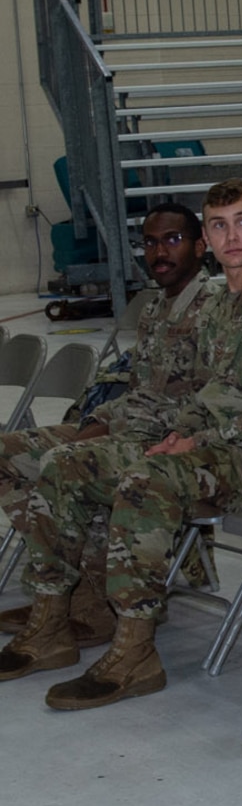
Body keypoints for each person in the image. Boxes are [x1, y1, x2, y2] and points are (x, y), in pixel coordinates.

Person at [0, 180, 242, 708]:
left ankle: (135, 650)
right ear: (209, 235)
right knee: (67, 466)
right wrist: (185, 433)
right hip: (214, 448)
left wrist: (195, 438)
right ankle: (53, 623)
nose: (232, 236)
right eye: (220, 225)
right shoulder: (225, 304)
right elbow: (207, 393)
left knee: (146, 480)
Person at [0, 203, 211, 656]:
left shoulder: (216, 310)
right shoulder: (156, 309)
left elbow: (199, 405)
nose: (160, 252)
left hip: (167, 443)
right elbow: (139, 390)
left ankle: (78, 605)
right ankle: (79, 586)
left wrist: (104, 431)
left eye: (172, 239)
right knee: (7, 453)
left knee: (67, 464)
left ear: (199, 245)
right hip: (124, 427)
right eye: (150, 242)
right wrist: (97, 421)